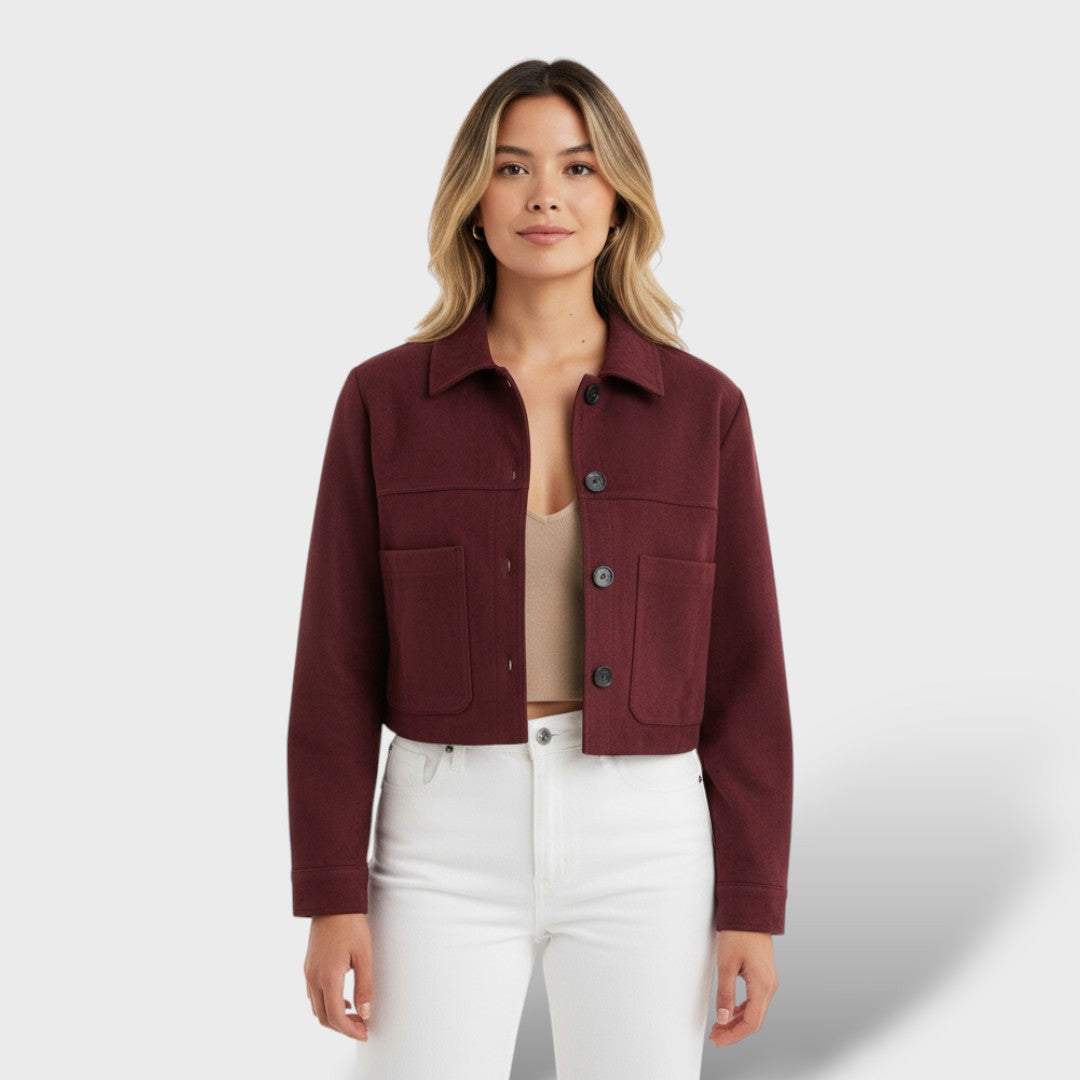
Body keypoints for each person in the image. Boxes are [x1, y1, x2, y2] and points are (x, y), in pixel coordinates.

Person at [287, 58, 793, 1079]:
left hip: (647, 842)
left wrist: (752, 902)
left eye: (578, 167)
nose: (546, 195)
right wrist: (332, 893)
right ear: (474, 201)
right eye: (513, 167)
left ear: (620, 201)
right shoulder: (385, 402)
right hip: (438, 840)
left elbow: (745, 675)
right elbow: (334, 666)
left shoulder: (704, 410)